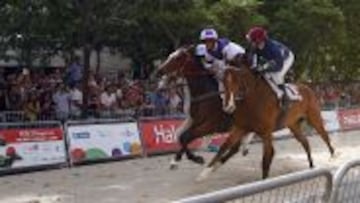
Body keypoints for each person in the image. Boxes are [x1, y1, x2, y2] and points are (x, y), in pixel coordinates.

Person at [246, 26, 295, 109]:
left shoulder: (273, 48)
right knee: (263, 74)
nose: (250, 42)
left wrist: (262, 68)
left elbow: (278, 66)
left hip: (285, 58)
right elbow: (254, 59)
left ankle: (285, 97)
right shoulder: (257, 46)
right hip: (273, 59)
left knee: (276, 75)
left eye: (252, 40)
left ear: (258, 40)